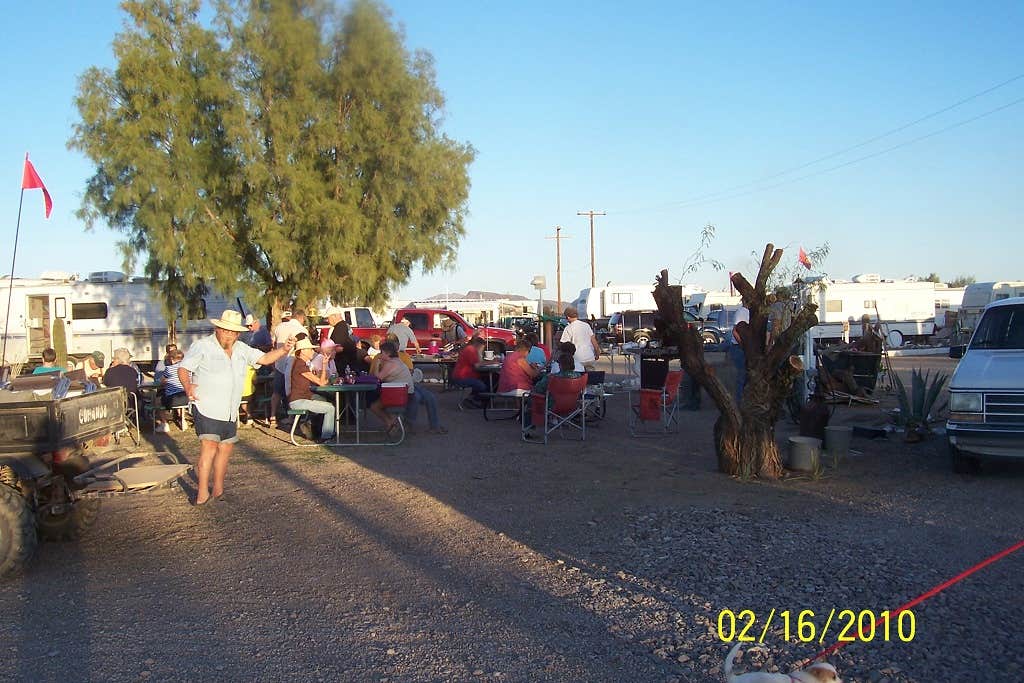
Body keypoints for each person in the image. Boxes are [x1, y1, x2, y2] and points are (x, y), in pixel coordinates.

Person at [179, 309, 295, 505]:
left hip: (230, 409)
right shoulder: (202, 346)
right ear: (218, 329)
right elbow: (184, 368)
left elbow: (264, 359)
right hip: (207, 405)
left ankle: (218, 490)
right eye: (225, 331)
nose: (229, 335)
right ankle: (201, 494)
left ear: (238, 333)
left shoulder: (241, 349)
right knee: (209, 447)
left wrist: (283, 350)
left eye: (233, 332)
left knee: (225, 449)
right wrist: (188, 385)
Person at [288, 338, 336, 443]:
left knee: (326, 403)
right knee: (330, 408)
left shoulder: (301, 364)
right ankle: (326, 436)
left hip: (303, 398)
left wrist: (324, 365)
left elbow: (322, 382)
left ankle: (318, 430)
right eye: (310, 349)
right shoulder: (300, 365)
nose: (312, 352)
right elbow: (321, 382)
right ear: (303, 351)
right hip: (298, 400)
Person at [269, 310, 307, 425]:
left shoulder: (279, 327)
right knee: (291, 391)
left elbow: (274, 345)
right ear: (301, 318)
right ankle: (292, 417)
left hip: (279, 362)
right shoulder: (301, 329)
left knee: (276, 391)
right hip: (292, 363)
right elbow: (304, 348)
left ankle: (272, 416)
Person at [369, 341, 413, 434]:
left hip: (399, 394)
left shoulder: (391, 363)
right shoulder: (397, 361)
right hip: (404, 392)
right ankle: (392, 424)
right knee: (378, 401)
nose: (380, 354)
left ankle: (390, 423)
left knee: (374, 407)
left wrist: (377, 363)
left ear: (388, 353)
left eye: (381, 352)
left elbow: (378, 377)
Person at [406, 368, 447, 434]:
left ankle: (435, 426)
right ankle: (408, 425)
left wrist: (410, 371)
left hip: (411, 383)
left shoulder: (404, 358)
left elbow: (412, 371)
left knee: (431, 397)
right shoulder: (388, 361)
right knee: (416, 397)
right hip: (401, 385)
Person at [560, 306, 601, 372]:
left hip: (577, 359)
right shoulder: (586, 325)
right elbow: (594, 342)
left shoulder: (568, 328)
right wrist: (597, 353)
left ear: (568, 317)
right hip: (589, 357)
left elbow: (565, 346)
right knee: (591, 378)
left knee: (580, 380)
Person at [155, 349, 187, 433]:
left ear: (172, 359)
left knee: (158, 399)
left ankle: (164, 424)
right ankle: (183, 420)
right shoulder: (187, 368)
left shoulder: (169, 369)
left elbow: (161, 381)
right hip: (186, 398)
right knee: (181, 395)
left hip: (173, 399)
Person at [451, 337, 488, 407]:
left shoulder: (470, 349)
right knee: (481, 385)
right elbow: (477, 365)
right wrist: (493, 362)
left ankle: (476, 398)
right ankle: (473, 400)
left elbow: (479, 362)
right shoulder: (471, 350)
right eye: (482, 347)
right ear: (478, 345)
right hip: (462, 378)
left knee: (486, 379)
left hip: (463, 376)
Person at [729, 306, 751, 403]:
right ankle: (739, 402)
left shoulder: (750, 312)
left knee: (745, 376)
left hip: (745, 348)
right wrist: (742, 344)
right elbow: (735, 331)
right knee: (742, 375)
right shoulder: (742, 312)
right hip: (739, 347)